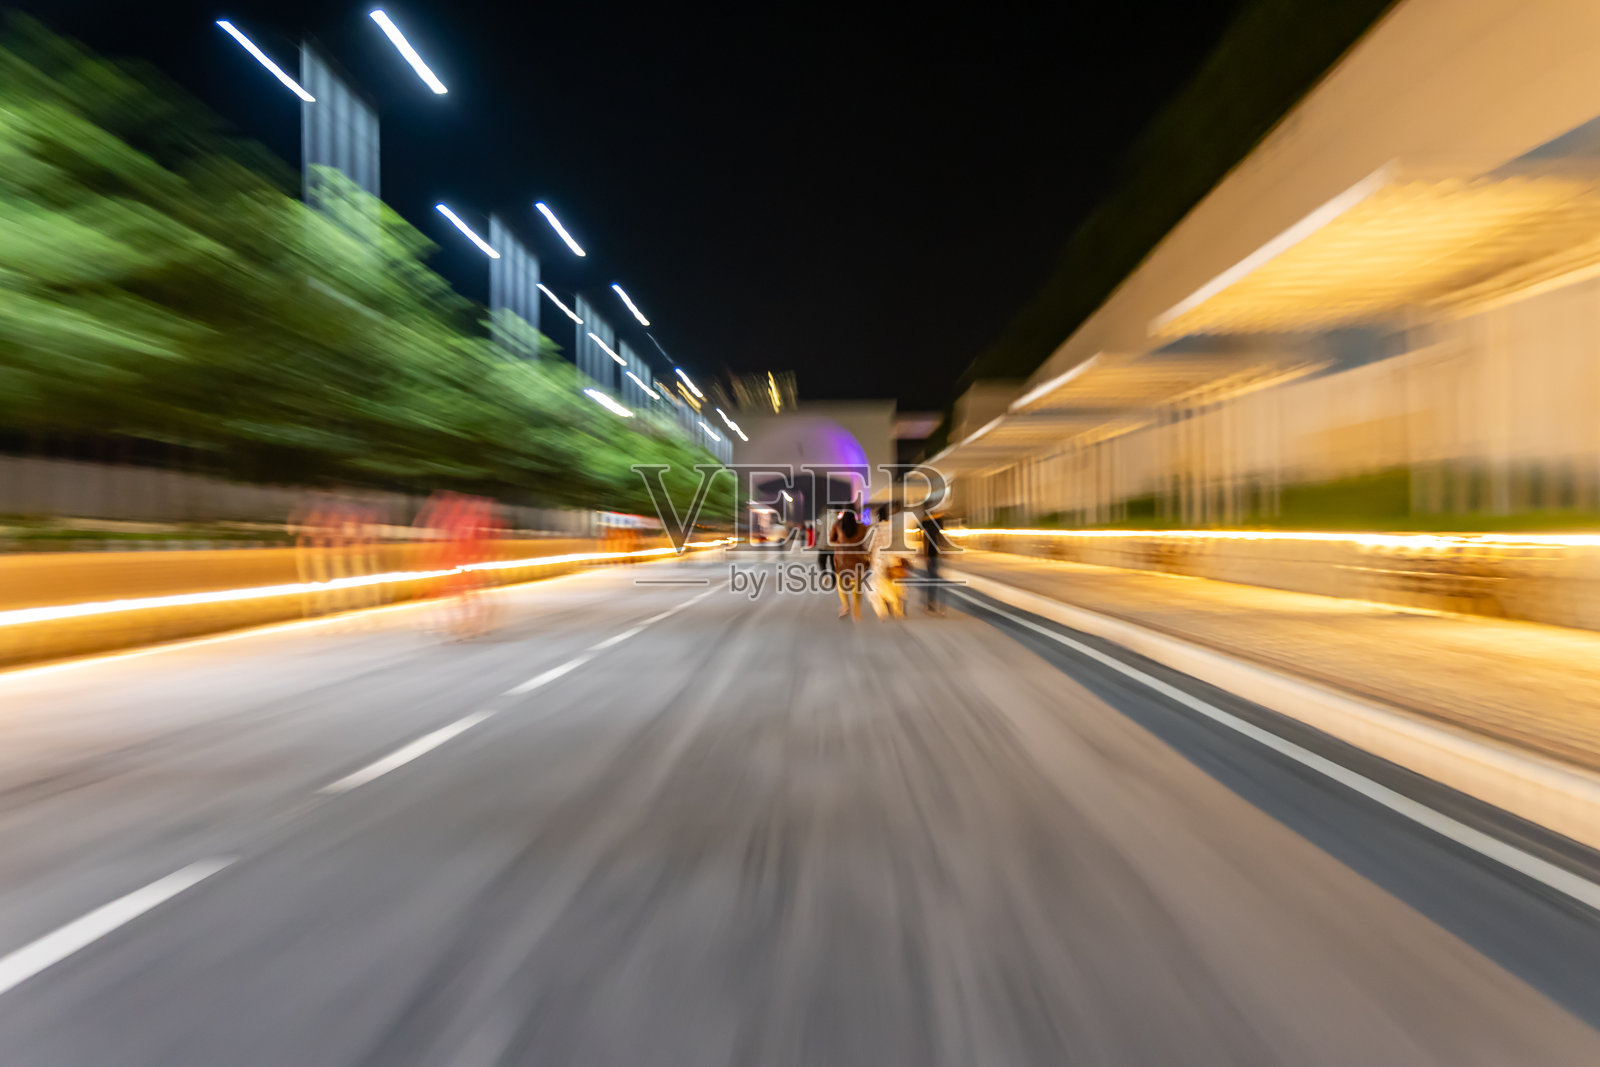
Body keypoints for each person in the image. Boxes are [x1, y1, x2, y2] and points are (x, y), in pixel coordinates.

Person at [829, 509, 869, 620]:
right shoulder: (861, 526)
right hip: (858, 559)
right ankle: (856, 611)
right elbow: (866, 539)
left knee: (841, 584)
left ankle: (846, 606)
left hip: (842, 559)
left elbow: (832, 538)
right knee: (857, 586)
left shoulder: (838, 524)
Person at [869, 505, 907, 619]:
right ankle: (897, 609)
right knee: (895, 584)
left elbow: (871, 545)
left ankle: (881, 610)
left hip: (879, 560)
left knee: (878, 584)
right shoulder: (894, 527)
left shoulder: (875, 529)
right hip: (893, 558)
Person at [919, 508, 948, 615]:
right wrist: (926, 555)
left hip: (935, 555)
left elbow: (939, 536)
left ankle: (931, 603)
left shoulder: (934, 519)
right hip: (932, 555)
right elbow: (926, 538)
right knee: (932, 579)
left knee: (932, 579)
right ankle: (930, 604)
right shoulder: (928, 519)